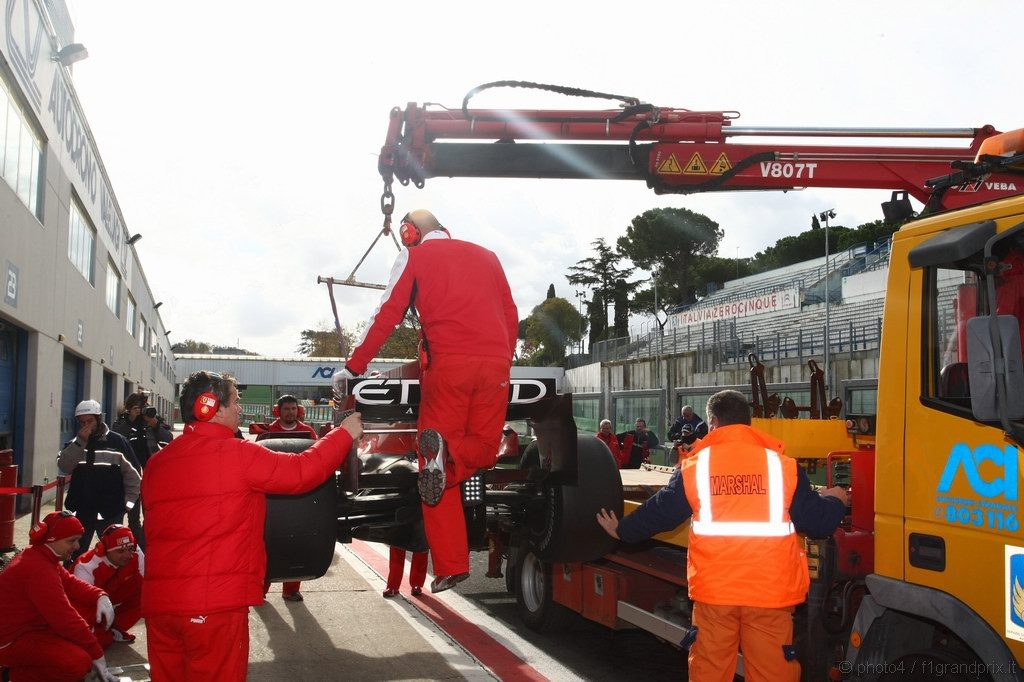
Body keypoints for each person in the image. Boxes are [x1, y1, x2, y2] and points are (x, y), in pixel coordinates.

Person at [596, 390, 848, 682]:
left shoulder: (696, 466)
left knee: (710, 672)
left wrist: (622, 530)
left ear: (713, 422)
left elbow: (661, 512)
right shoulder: (782, 466)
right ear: (747, 422)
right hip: (769, 594)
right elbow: (818, 522)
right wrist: (836, 500)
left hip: (715, 594)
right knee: (773, 673)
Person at [339, 209, 518, 594]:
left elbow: (387, 314)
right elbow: (510, 312)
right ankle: (446, 464)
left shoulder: (414, 256)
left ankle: (452, 561)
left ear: (409, 233)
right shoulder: (488, 255)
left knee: (432, 459)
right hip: (497, 365)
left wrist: (355, 365)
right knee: (486, 450)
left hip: (448, 367)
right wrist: (505, 355)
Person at [141, 370, 362, 682]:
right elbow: (301, 472)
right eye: (235, 401)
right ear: (211, 406)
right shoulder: (237, 455)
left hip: (159, 607)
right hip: (213, 608)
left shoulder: (157, 463)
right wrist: (344, 433)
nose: (239, 409)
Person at [0, 511, 119, 682]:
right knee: (78, 663)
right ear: (51, 540)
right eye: (71, 541)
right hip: (11, 641)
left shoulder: (40, 555)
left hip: (30, 630)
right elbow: (64, 619)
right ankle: (9, 676)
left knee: (94, 638)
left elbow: (69, 582)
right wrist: (97, 654)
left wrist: (99, 596)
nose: (77, 546)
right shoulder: (38, 569)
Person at [58, 399, 142, 561]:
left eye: (90, 421)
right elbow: (64, 465)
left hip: (110, 512)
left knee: (112, 556)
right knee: (74, 556)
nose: (86, 425)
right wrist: (80, 442)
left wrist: (127, 504)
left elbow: (134, 475)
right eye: (82, 422)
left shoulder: (117, 443)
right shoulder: (75, 444)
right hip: (82, 511)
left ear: (98, 419)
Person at [266, 394, 317, 601]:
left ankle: (291, 589)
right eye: (286, 409)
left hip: (300, 496)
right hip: (273, 496)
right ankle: (261, 590)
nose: (291, 413)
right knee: (269, 544)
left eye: (294, 409)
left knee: (297, 543)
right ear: (279, 411)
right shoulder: (268, 432)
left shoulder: (308, 432)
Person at [73, 523, 145, 648]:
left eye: (130, 549)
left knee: (148, 593)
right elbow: (81, 607)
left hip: (113, 593)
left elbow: (147, 581)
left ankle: (116, 628)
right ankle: (105, 631)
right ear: (105, 551)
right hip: (89, 603)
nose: (128, 555)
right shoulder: (85, 567)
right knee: (97, 641)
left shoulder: (136, 552)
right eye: (121, 551)